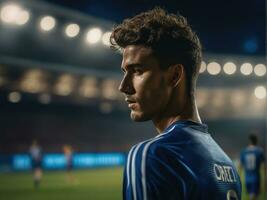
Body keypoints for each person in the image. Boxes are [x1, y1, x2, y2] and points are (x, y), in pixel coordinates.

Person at [110, 7, 241, 200]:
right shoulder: (227, 165)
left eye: (137, 71)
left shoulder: (152, 155)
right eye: (124, 72)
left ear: (175, 76)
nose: (124, 86)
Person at [240, 134, 265, 200]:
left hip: (247, 179)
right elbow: (264, 166)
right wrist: (265, 180)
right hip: (256, 178)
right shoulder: (259, 151)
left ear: (249, 141)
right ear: (256, 141)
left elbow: (240, 166)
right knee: (253, 197)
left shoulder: (244, 151)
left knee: (251, 196)